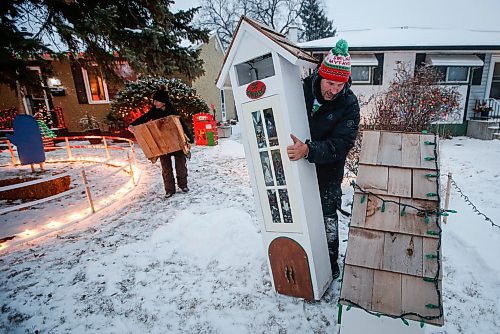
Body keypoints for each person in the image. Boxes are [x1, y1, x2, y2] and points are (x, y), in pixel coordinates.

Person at [286, 39, 360, 279]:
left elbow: (342, 144)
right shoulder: (303, 88)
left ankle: (329, 265)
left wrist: (309, 150)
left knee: (327, 215)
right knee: (297, 213)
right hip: (297, 163)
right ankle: (300, 258)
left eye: (340, 85)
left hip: (328, 169)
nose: (334, 90)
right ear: (320, 76)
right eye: (330, 83)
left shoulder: (349, 103)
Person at [129, 88, 194, 198]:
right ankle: (169, 189)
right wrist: (133, 125)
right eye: (154, 101)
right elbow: (144, 118)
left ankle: (183, 185)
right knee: (166, 168)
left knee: (181, 165)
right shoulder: (154, 111)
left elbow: (181, 124)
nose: (155, 103)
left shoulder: (172, 111)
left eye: (157, 101)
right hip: (163, 145)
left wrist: (190, 138)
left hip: (176, 142)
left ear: (163, 101)